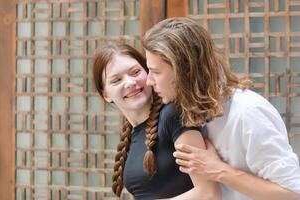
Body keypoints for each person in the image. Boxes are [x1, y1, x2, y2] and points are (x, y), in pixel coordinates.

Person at [142, 17, 300, 200]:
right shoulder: (189, 114)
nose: (148, 81)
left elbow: (293, 193)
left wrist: (219, 170)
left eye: (156, 72)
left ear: (184, 70)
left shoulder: (248, 113)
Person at [92, 43, 220, 200]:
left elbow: (208, 194)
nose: (130, 83)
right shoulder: (131, 134)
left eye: (135, 72)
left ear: (148, 73)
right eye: (117, 80)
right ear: (106, 94)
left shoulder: (173, 115)